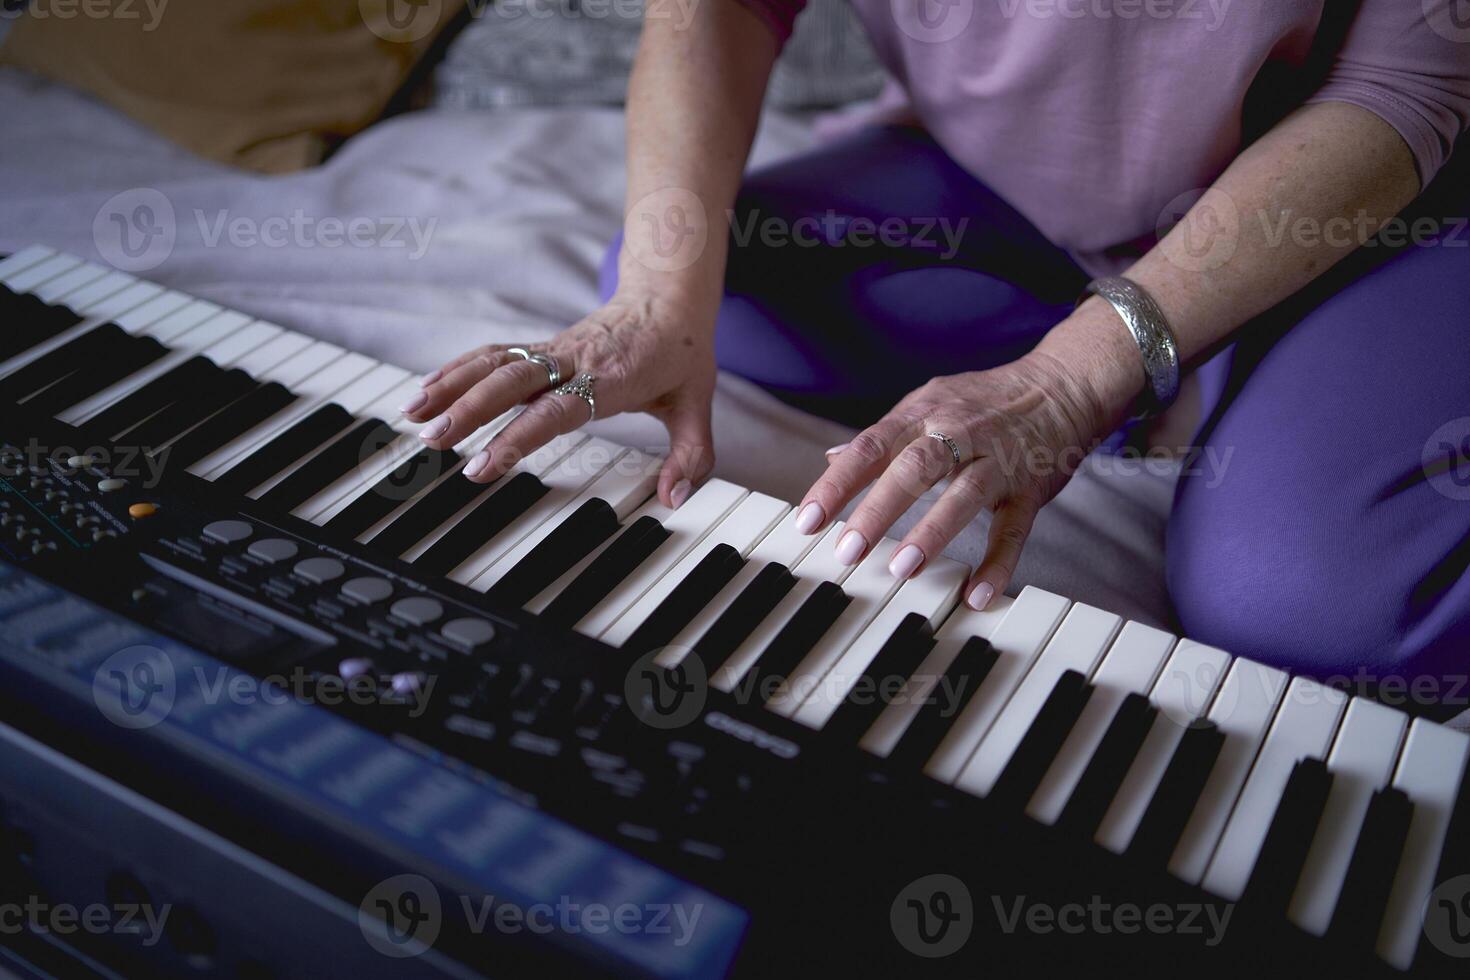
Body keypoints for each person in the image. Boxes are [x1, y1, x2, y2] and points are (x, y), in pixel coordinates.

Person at [399, 1, 1470, 684]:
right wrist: (651, 301)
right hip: (1004, 194)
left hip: (1359, 227)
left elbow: (1399, 89)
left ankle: (1206, 356)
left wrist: (1068, 379)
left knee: (1306, 606)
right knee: (706, 298)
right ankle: (1177, 370)